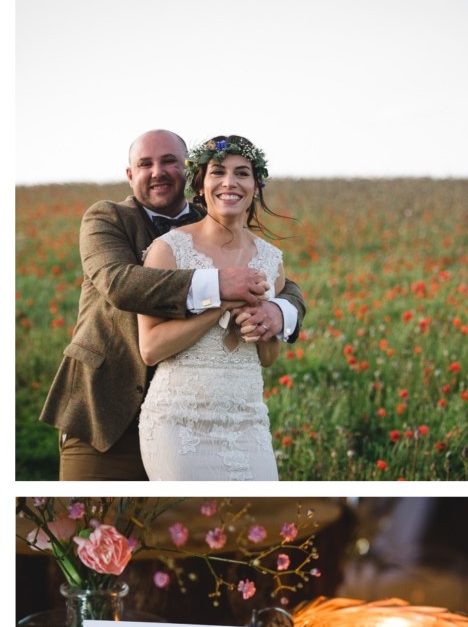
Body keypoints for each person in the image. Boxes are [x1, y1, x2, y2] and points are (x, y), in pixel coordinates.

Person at [39, 129, 305, 480]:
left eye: (168, 162)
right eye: (145, 164)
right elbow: (119, 283)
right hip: (105, 409)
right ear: (130, 174)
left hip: (217, 412)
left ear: (188, 171)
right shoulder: (107, 218)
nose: (157, 172)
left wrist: (278, 310)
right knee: (90, 521)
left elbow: (286, 286)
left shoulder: (217, 214)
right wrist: (220, 287)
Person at [136, 135, 288, 480]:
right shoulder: (168, 250)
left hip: (249, 420)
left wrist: (264, 326)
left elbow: (267, 357)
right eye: (217, 172)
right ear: (201, 186)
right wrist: (220, 301)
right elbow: (150, 349)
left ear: (255, 185)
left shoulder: (272, 260)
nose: (229, 183)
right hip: (180, 424)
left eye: (242, 173)